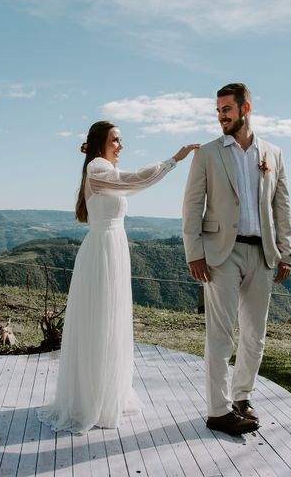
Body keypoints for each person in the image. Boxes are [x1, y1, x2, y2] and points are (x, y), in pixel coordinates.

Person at [37, 121, 199, 434]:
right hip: (101, 252)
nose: (121, 146)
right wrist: (174, 160)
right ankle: (90, 400)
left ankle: (108, 393)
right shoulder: (98, 168)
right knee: (99, 323)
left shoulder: (102, 169)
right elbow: (135, 180)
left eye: (122, 140)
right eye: (116, 140)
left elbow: (130, 184)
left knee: (111, 323)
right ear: (101, 143)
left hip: (114, 248)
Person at [182, 83, 291, 436]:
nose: (221, 116)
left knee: (254, 335)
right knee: (220, 335)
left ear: (246, 108)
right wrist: (194, 252)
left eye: (226, 109)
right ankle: (217, 410)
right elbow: (191, 205)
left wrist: (286, 250)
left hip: (262, 253)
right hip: (220, 254)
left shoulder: (272, 154)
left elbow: (282, 205)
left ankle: (242, 397)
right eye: (218, 110)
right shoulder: (208, 154)